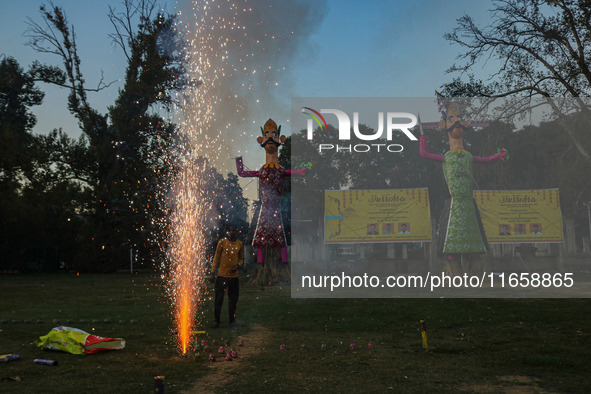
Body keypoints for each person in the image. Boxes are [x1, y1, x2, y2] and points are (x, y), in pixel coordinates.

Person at [420, 99, 507, 275]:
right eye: (452, 119)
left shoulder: (468, 156)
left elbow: (487, 160)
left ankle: (475, 271)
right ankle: (453, 272)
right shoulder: (446, 156)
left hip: (468, 203)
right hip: (453, 204)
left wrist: (499, 155)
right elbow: (424, 153)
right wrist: (422, 137)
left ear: (465, 125)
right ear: (445, 126)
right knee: (450, 242)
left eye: (459, 118)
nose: (456, 122)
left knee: (474, 241)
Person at [235, 119, 306, 264]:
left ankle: (283, 262)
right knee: (260, 236)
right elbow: (242, 173)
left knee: (283, 236)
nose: (270, 138)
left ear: (281, 139)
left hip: (278, 209)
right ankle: (261, 265)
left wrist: (303, 170)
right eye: (266, 134)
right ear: (260, 140)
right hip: (264, 209)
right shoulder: (262, 170)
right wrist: (238, 161)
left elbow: (298, 172)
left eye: (274, 134)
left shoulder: (280, 170)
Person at [209, 227, 244, 328]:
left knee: (233, 299)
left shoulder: (239, 244)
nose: (232, 232)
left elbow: (241, 258)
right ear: (228, 232)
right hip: (222, 276)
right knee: (219, 299)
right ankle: (216, 320)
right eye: (230, 230)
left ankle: (232, 320)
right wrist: (212, 273)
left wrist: (238, 265)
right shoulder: (222, 242)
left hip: (234, 277)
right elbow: (216, 257)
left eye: (234, 230)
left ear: (236, 232)